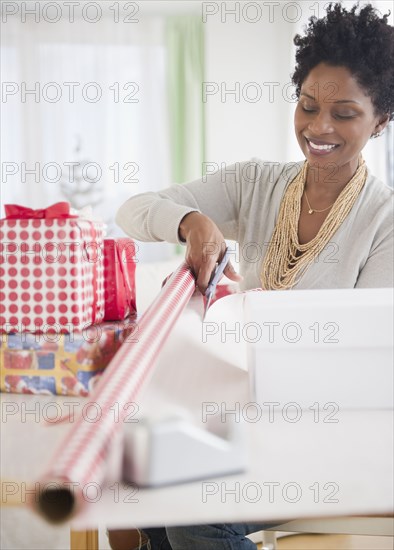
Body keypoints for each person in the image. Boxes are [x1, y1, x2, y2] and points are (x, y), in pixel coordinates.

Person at [112, 3, 394, 549]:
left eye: (344, 114)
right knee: (132, 477)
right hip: (248, 423)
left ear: (381, 119)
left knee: (193, 515)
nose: (319, 128)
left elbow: (366, 367)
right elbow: (134, 210)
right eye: (308, 106)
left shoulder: (384, 221)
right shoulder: (256, 185)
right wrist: (191, 222)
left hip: (331, 439)